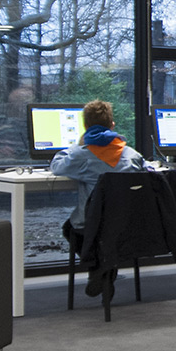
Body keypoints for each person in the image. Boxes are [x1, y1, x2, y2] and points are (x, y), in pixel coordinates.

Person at [50, 99, 147, 294]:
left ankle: (99, 268)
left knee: (70, 228)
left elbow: (57, 167)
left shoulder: (80, 156)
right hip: (127, 222)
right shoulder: (132, 155)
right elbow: (149, 173)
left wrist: (78, 145)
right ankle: (105, 268)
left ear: (85, 126)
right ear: (112, 125)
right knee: (107, 230)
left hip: (92, 224)